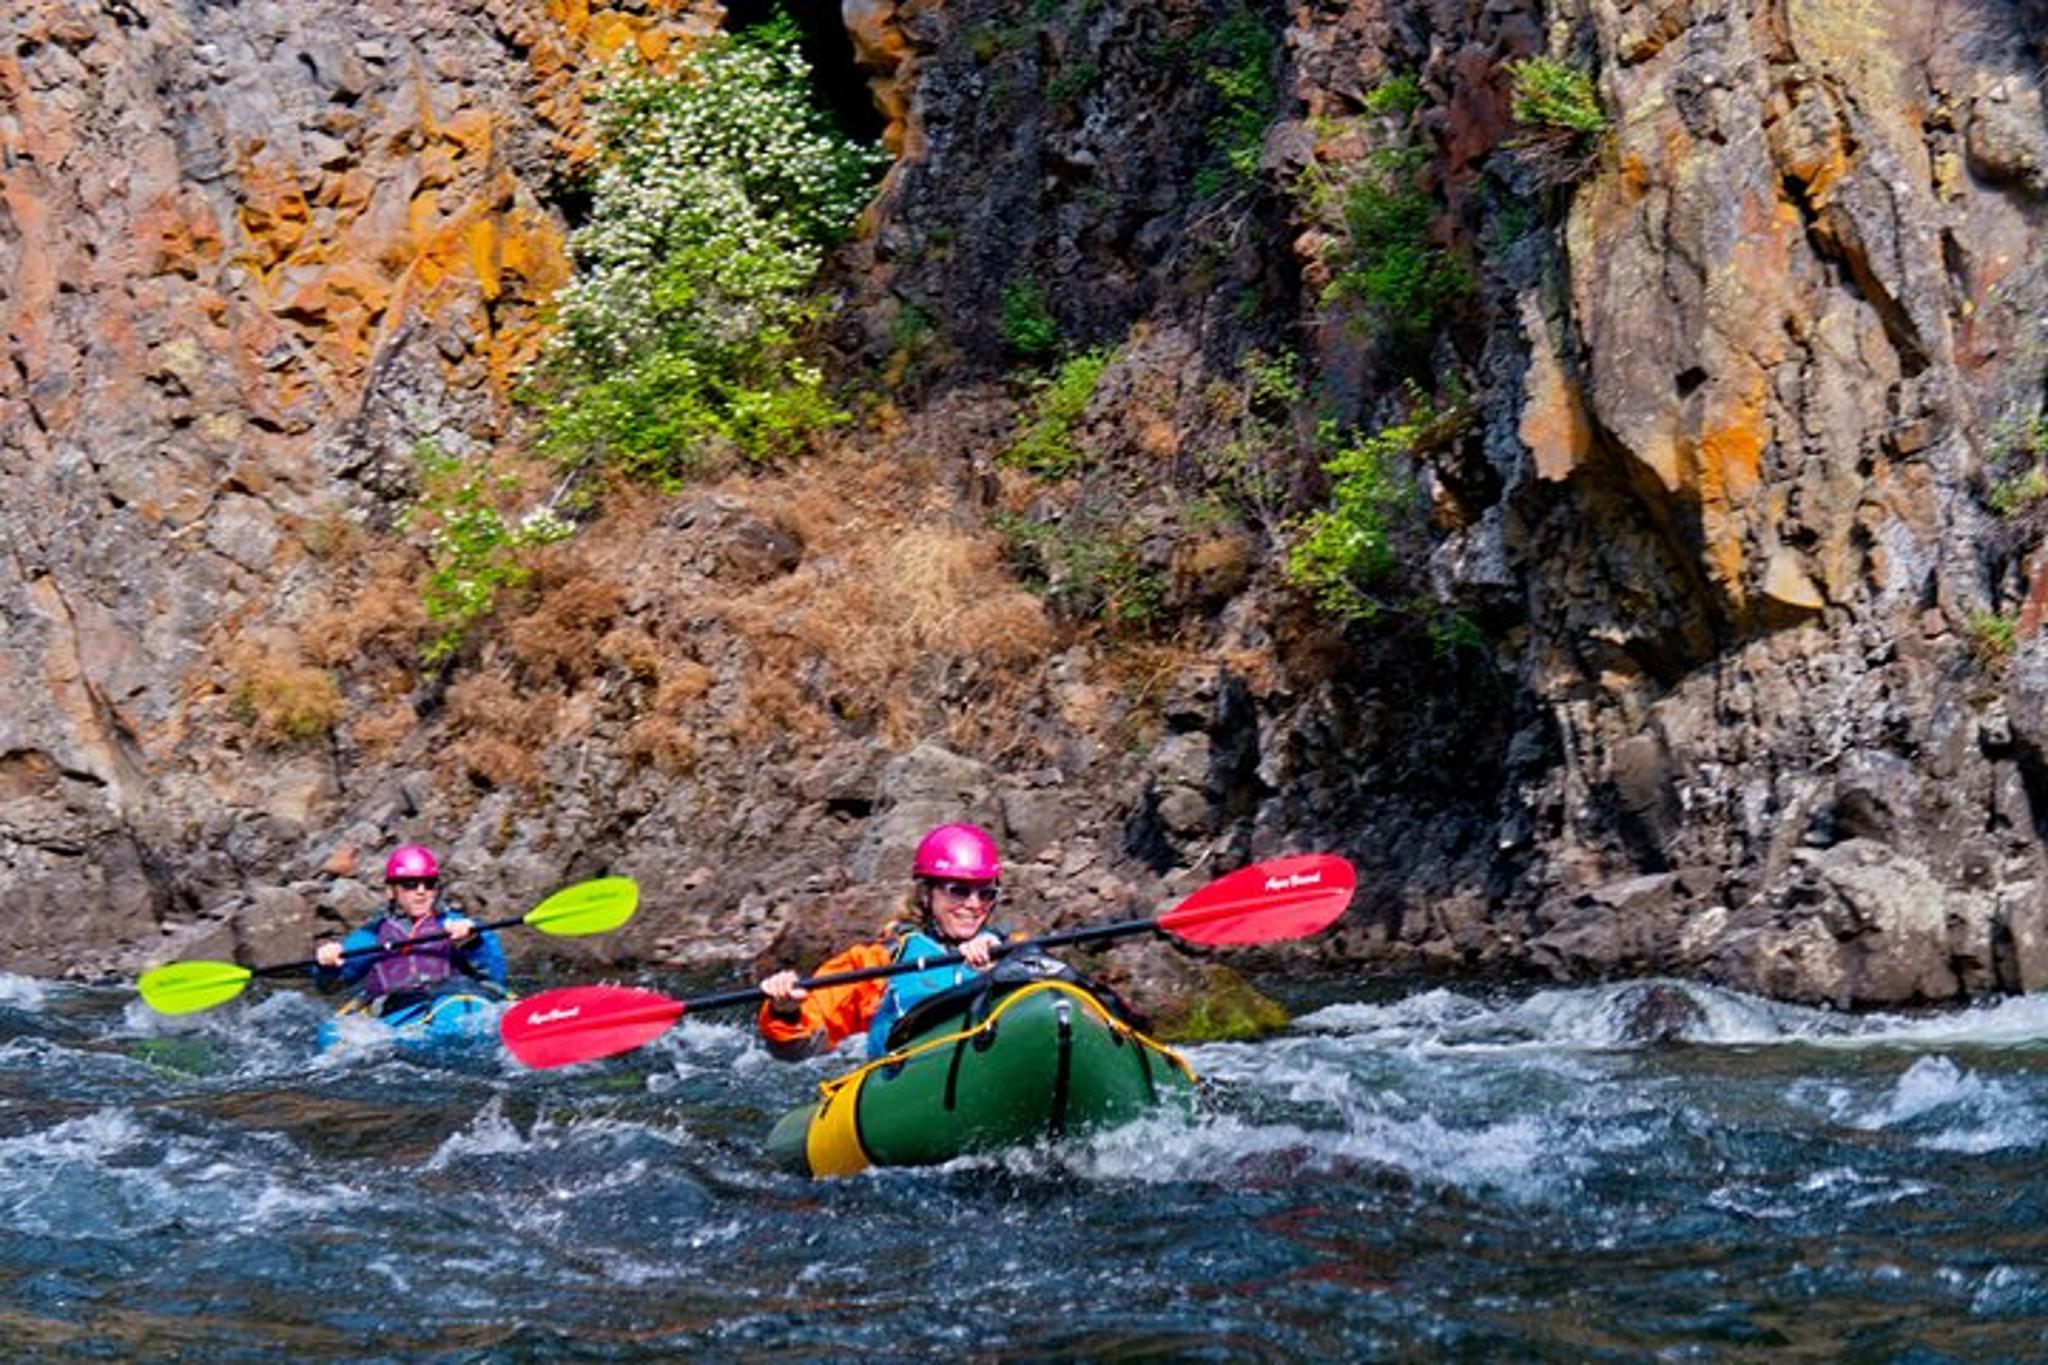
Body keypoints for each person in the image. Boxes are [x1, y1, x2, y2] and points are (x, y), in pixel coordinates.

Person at [758, 822, 1024, 1061]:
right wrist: (785, 1010)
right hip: (907, 1083)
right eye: (959, 891)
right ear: (926, 894)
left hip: (987, 1063)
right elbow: (799, 1047)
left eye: (986, 894)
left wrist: (999, 972)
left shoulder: (1013, 951)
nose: (973, 905)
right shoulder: (879, 962)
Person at [313, 844, 508, 1013]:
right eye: (410, 884)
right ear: (391, 891)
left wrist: (473, 944)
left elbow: (496, 976)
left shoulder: (460, 926)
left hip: (455, 1000)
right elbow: (330, 987)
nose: (421, 891)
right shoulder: (371, 936)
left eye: (429, 884)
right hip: (398, 1012)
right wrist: (327, 966)